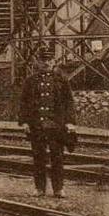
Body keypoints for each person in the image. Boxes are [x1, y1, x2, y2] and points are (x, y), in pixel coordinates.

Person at [18, 52, 76, 198]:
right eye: (43, 60)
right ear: (37, 62)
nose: (46, 63)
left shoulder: (61, 80)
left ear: (54, 61)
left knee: (57, 158)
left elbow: (69, 102)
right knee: (39, 158)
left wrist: (70, 122)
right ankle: (39, 188)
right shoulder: (30, 81)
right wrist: (24, 121)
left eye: (49, 60)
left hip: (56, 126)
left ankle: (58, 188)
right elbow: (24, 102)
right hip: (37, 125)